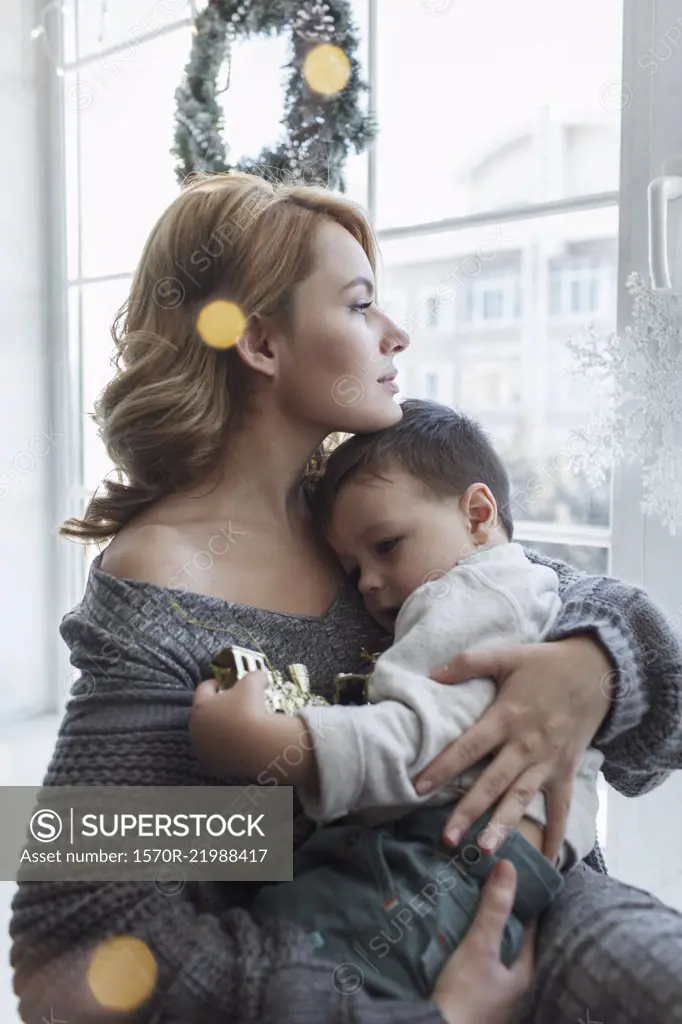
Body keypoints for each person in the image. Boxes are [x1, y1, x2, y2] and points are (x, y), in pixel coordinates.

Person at [9, 172, 682, 1024]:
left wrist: (593, 668)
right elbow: (71, 946)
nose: (395, 335)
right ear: (259, 343)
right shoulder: (163, 587)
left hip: (546, 893)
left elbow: (655, 717)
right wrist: (423, 1017)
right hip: (370, 955)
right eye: (361, 305)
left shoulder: (358, 511)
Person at [188, 399, 603, 1002]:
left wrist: (265, 745)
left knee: (291, 951)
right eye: (352, 567)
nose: (369, 585)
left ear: (478, 514)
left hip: (451, 855)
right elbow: (67, 844)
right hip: (466, 855)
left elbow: (423, 751)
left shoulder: (475, 593)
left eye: (386, 546)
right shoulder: (504, 589)